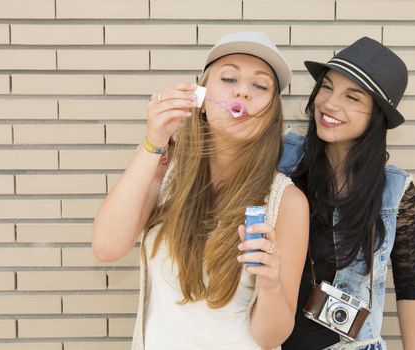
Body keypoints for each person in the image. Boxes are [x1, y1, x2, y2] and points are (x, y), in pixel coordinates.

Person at [92, 31, 309, 350]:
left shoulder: (286, 202)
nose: (243, 92)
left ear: (271, 115)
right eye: (229, 78)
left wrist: (271, 282)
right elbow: (106, 247)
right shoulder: (166, 171)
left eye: (260, 85)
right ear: (202, 99)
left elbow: (271, 337)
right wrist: (155, 139)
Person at [278, 37, 415, 350]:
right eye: (327, 87)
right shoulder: (282, 158)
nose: (329, 103)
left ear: (376, 116)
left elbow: (410, 281)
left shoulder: (395, 191)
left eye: (353, 97)